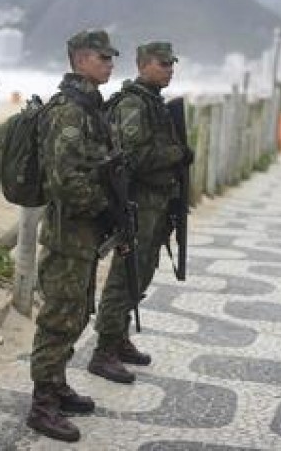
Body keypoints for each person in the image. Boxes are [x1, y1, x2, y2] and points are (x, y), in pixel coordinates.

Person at [26, 29, 119, 442]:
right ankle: (42, 403)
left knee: (79, 312)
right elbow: (65, 181)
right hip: (68, 234)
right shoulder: (68, 111)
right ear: (80, 60)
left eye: (111, 55)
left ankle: (57, 383)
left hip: (84, 234)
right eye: (102, 56)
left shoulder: (90, 108)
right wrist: (104, 206)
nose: (110, 62)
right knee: (59, 318)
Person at [89, 41, 192, 384]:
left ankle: (118, 338)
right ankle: (104, 349)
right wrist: (175, 155)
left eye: (171, 64)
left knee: (142, 271)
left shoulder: (153, 103)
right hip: (138, 202)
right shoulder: (133, 103)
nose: (169, 69)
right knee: (126, 274)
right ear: (144, 64)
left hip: (157, 203)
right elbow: (134, 157)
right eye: (163, 64)